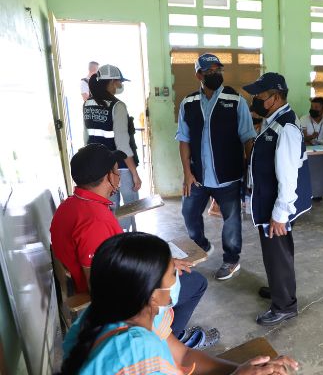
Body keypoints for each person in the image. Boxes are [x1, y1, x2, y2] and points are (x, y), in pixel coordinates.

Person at [50, 143, 217, 348]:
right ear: (110, 177)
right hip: (120, 294)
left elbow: (111, 256)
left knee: (169, 261)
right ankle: (164, 344)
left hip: (113, 276)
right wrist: (155, 272)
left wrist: (155, 260)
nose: (119, 175)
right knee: (196, 282)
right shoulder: (94, 221)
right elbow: (101, 285)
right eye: (116, 170)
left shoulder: (70, 205)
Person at [61, 232, 299, 374]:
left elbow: (182, 356)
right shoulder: (136, 349)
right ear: (152, 294)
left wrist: (245, 368)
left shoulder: (121, 309)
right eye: (173, 272)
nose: (180, 275)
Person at [176, 53, 256, 281]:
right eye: (209, 71)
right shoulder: (188, 103)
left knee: (231, 221)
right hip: (198, 176)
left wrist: (249, 174)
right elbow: (184, 140)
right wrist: (187, 174)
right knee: (189, 214)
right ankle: (202, 244)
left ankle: (231, 260)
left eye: (217, 70)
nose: (215, 74)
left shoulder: (236, 101)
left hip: (228, 177)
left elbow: (248, 139)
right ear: (198, 75)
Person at [243, 73, 312, 326]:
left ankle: (285, 305)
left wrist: (280, 214)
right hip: (267, 200)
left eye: (259, 96)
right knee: (274, 253)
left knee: (278, 252)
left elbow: (288, 175)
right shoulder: (273, 122)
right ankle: (278, 287)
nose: (255, 99)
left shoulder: (286, 128)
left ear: (275, 97)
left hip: (276, 205)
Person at [84, 64, 141, 231]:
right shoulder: (117, 106)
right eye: (118, 82)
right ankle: (126, 240)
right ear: (112, 82)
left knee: (109, 206)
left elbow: (86, 138)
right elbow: (122, 145)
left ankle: (113, 238)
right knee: (130, 207)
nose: (119, 86)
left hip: (99, 168)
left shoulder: (87, 104)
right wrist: (135, 174)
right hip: (120, 168)